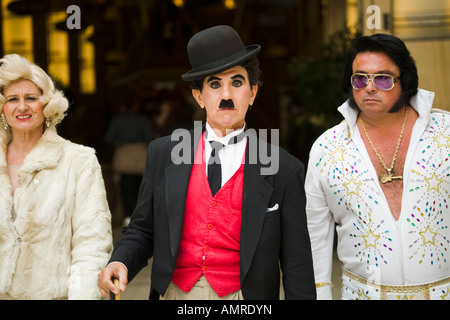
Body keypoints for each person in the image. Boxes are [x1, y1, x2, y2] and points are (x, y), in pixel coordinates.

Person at [98, 25, 316, 300]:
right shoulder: (164, 153)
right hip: (175, 295)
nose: (226, 95)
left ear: (253, 92)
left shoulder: (284, 168)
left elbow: (297, 264)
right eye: (215, 84)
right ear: (199, 97)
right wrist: (121, 261)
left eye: (236, 82)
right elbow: (143, 228)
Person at [305, 33, 450, 300]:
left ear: (404, 81)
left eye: (382, 78)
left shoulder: (445, 134)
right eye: (360, 78)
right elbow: (316, 238)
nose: (370, 87)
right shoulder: (327, 149)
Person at [0, 54, 113, 299]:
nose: (22, 106)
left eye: (31, 98)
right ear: (3, 108)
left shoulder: (78, 160)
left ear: (47, 105)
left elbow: (91, 244)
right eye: (12, 99)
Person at [105, 92, 154, 226]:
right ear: (136, 105)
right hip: (140, 155)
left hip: (123, 154)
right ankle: (140, 216)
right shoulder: (143, 120)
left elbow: (108, 139)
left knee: (125, 187)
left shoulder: (117, 120)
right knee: (141, 188)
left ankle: (128, 216)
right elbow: (150, 137)